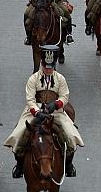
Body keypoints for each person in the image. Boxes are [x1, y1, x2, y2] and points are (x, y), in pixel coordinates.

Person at [5, 44, 84, 178]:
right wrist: (37, 112)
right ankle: (19, 166)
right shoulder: (33, 79)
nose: (48, 70)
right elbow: (30, 99)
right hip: (35, 111)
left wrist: (56, 104)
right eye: (46, 67)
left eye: (51, 68)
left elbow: (64, 96)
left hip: (55, 112)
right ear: (42, 64)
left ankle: (68, 165)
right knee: (18, 136)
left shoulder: (60, 79)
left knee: (71, 136)